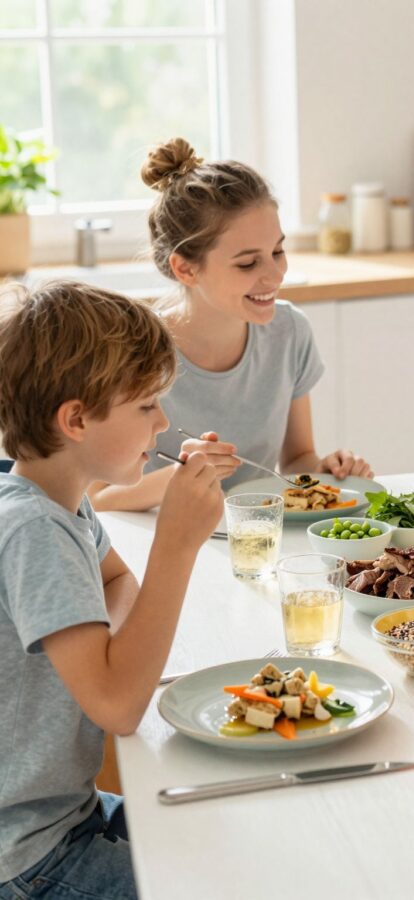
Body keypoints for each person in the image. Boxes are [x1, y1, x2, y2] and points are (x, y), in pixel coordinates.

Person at [0, 281, 224, 898]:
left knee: (230, 839)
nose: (165, 421)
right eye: (147, 405)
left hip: (64, 812)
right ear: (75, 420)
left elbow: (117, 580)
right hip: (29, 853)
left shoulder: (59, 500)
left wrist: (114, 651)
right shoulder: (32, 530)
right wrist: (177, 545)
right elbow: (119, 707)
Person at [89, 137, 372, 512]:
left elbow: (298, 456)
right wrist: (179, 479)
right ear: (186, 268)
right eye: (247, 263)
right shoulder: (134, 353)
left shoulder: (289, 332)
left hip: (255, 539)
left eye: (277, 252)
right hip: (158, 540)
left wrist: (324, 473)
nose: (274, 275)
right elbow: (96, 499)